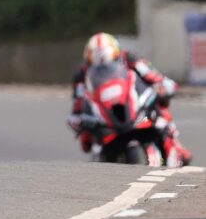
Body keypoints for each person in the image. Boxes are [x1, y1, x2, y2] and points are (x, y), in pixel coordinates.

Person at [68, 32, 191, 164]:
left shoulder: (129, 58)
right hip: (104, 114)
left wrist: (163, 86)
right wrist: (77, 117)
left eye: (105, 58)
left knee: (159, 108)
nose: (103, 63)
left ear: (115, 54)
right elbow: (78, 102)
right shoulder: (82, 75)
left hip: (132, 102)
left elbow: (152, 75)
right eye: (97, 60)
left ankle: (174, 145)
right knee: (86, 138)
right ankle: (99, 160)